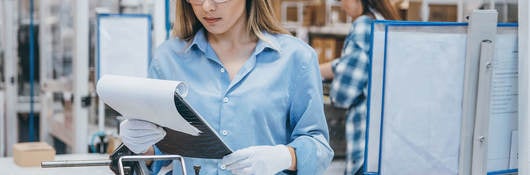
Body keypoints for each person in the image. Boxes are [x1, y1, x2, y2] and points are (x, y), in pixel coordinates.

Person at [119, 0, 334, 174]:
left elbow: (320, 148)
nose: (207, 7)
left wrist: (287, 156)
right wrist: (143, 146)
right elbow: (160, 153)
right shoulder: (168, 58)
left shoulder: (295, 58)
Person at [319, 0, 400, 174]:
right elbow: (360, 63)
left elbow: (343, 93)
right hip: (387, 143)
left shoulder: (363, 26)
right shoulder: (382, 22)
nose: (342, 5)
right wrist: (321, 70)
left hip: (364, 143)